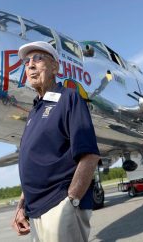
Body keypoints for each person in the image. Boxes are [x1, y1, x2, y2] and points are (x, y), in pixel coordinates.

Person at [11, 41, 100, 242]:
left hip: (58, 206)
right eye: (26, 62)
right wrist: (21, 207)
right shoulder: (35, 110)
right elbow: (32, 163)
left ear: (55, 67)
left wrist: (71, 200)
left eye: (38, 58)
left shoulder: (69, 98)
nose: (30, 65)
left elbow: (90, 154)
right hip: (34, 211)